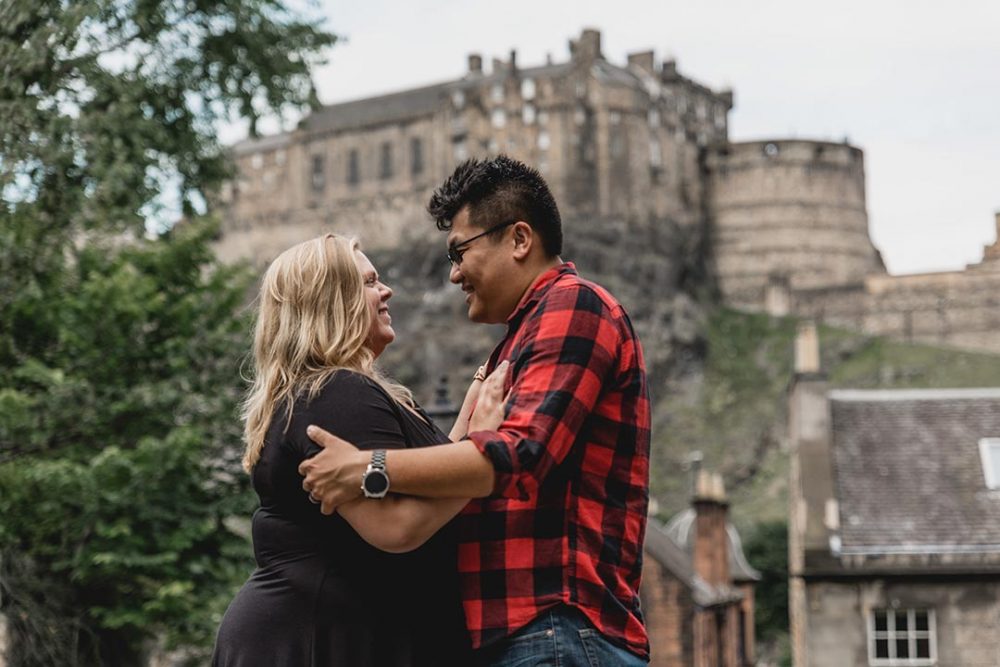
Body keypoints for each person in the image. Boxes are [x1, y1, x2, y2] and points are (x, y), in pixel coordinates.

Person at [300, 156, 652, 666]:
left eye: (460, 252)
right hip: (532, 636)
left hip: (559, 629)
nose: (453, 274)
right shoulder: (517, 340)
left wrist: (368, 468)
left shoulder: (574, 305)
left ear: (519, 239)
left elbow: (518, 455)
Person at [212, 234, 507, 666]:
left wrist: (473, 407)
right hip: (320, 638)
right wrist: (484, 454)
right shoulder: (336, 394)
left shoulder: (326, 393)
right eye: (369, 282)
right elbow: (397, 526)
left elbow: (432, 473)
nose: (386, 291)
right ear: (332, 302)